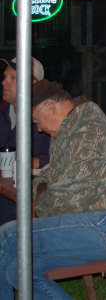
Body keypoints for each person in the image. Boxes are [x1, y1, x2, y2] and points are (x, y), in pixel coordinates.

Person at [0, 80, 106, 298]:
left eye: (36, 120)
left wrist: (40, 200)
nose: (38, 128)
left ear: (50, 107)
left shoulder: (87, 128)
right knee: (18, 271)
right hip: (94, 224)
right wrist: (43, 188)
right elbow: (50, 177)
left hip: (104, 225)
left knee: (7, 236)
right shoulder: (69, 129)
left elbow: (67, 197)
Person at [0, 57, 51, 224]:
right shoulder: (4, 112)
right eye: (5, 76)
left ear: (32, 84)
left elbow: (63, 156)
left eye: (13, 78)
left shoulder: (45, 118)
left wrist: (36, 161)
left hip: (27, 196)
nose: (4, 82)